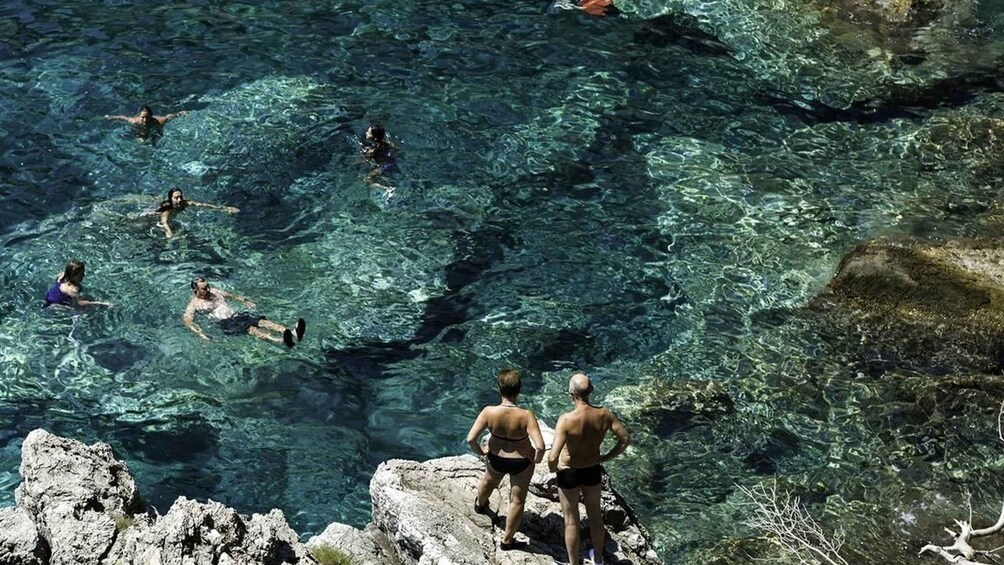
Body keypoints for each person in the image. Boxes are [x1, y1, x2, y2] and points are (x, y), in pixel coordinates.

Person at [548, 373, 630, 565]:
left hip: (569, 471)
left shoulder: (566, 419)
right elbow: (625, 439)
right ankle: (599, 560)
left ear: (571, 394)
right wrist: (606, 457)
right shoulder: (604, 414)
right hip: (592, 469)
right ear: (590, 391)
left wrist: (555, 468)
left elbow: (553, 456)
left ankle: (574, 563)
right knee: (595, 517)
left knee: (571, 521)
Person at [466, 369, 546, 550]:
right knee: (517, 500)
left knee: (488, 481)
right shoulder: (526, 415)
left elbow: (471, 439)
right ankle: (507, 541)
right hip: (521, 462)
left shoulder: (489, 412)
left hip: (496, 458)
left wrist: (481, 451)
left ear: (498, 388)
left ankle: (480, 505)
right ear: (519, 390)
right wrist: (537, 459)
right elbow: (540, 446)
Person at [183, 277, 306, 348]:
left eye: (208, 286)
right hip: (226, 322)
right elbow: (188, 321)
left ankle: (292, 333)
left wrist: (245, 301)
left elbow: (232, 296)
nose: (208, 289)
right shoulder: (194, 304)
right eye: (204, 288)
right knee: (252, 330)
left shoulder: (215, 291)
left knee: (264, 322)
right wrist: (201, 334)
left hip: (237, 315)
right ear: (195, 289)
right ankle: (279, 340)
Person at [155, 187, 239, 239]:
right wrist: (169, 232)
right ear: (171, 199)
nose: (179, 200)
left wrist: (225, 209)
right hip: (154, 217)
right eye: (176, 198)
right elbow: (164, 222)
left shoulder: (185, 203)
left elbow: (203, 205)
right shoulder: (166, 210)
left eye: (180, 197)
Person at [43, 260, 112, 308]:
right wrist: (100, 303)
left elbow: (56, 277)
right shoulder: (73, 290)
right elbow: (80, 303)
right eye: (81, 274)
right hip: (55, 305)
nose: (83, 276)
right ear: (73, 276)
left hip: (48, 297)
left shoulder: (62, 275)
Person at [105, 105, 187, 141]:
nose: (144, 120)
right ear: (139, 116)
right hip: (142, 132)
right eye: (142, 117)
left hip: (155, 129)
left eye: (147, 117)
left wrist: (179, 114)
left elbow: (169, 117)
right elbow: (123, 118)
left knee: (159, 141)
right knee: (142, 142)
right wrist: (112, 117)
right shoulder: (134, 121)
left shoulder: (158, 121)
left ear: (151, 116)